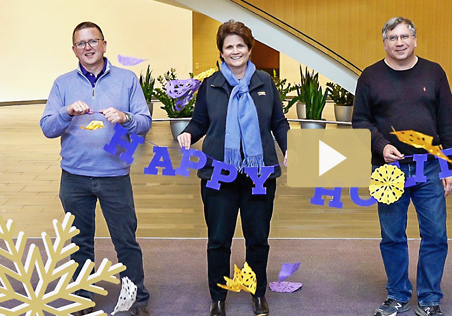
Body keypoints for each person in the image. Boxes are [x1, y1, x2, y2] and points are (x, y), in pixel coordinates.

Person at [177, 20, 289, 316]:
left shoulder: (265, 82)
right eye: (229, 47)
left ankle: (257, 293)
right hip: (218, 173)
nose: (235, 51)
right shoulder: (211, 85)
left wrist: (291, 147)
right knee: (218, 239)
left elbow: (278, 122)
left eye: (241, 45)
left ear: (250, 49)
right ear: (222, 52)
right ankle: (218, 297)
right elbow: (200, 121)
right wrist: (189, 132)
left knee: (257, 239)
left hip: (259, 174)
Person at [40, 21, 152, 316]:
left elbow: (144, 123)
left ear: (104, 44)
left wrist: (125, 116)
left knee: (125, 239)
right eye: (81, 43)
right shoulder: (63, 84)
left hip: (115, 175)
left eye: (93, 41)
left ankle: (138, 297)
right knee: (79, 241)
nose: (88, 47)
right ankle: (82, 298)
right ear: (74, 50)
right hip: (74, 177)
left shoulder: (126, 80)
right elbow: (47, 128)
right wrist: (66, 112)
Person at [353, 16, 452, 316]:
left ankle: (429, 298)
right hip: (387, 172)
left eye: (404, 37)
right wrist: (380, 145)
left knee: (436, 235)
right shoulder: (370, 76)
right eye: (392, 38)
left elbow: (447, 123)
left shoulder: (434, 73)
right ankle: (397, 295)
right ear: (384, 42)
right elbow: (360, 121)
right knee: (392, 235)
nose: (399, 43)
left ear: (414, 40)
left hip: (429, 168)